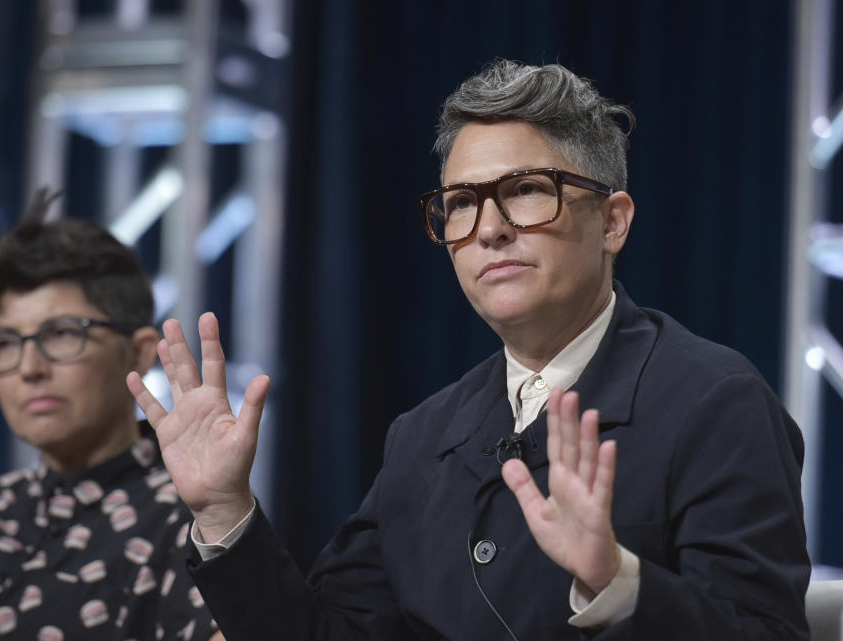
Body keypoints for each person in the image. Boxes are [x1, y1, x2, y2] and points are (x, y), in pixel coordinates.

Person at [127, 60, 810, 640]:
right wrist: (224, 511)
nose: (489, 229)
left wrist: (617, 583)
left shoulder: (717, 402)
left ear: (612, 221)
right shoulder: (423, 437)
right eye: (460, 203)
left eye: (526, 191)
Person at [0, 192, 224, 641]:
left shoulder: (195, 523)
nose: (29, 368)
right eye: (6, 343)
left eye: (62, 334)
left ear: (140, 352)